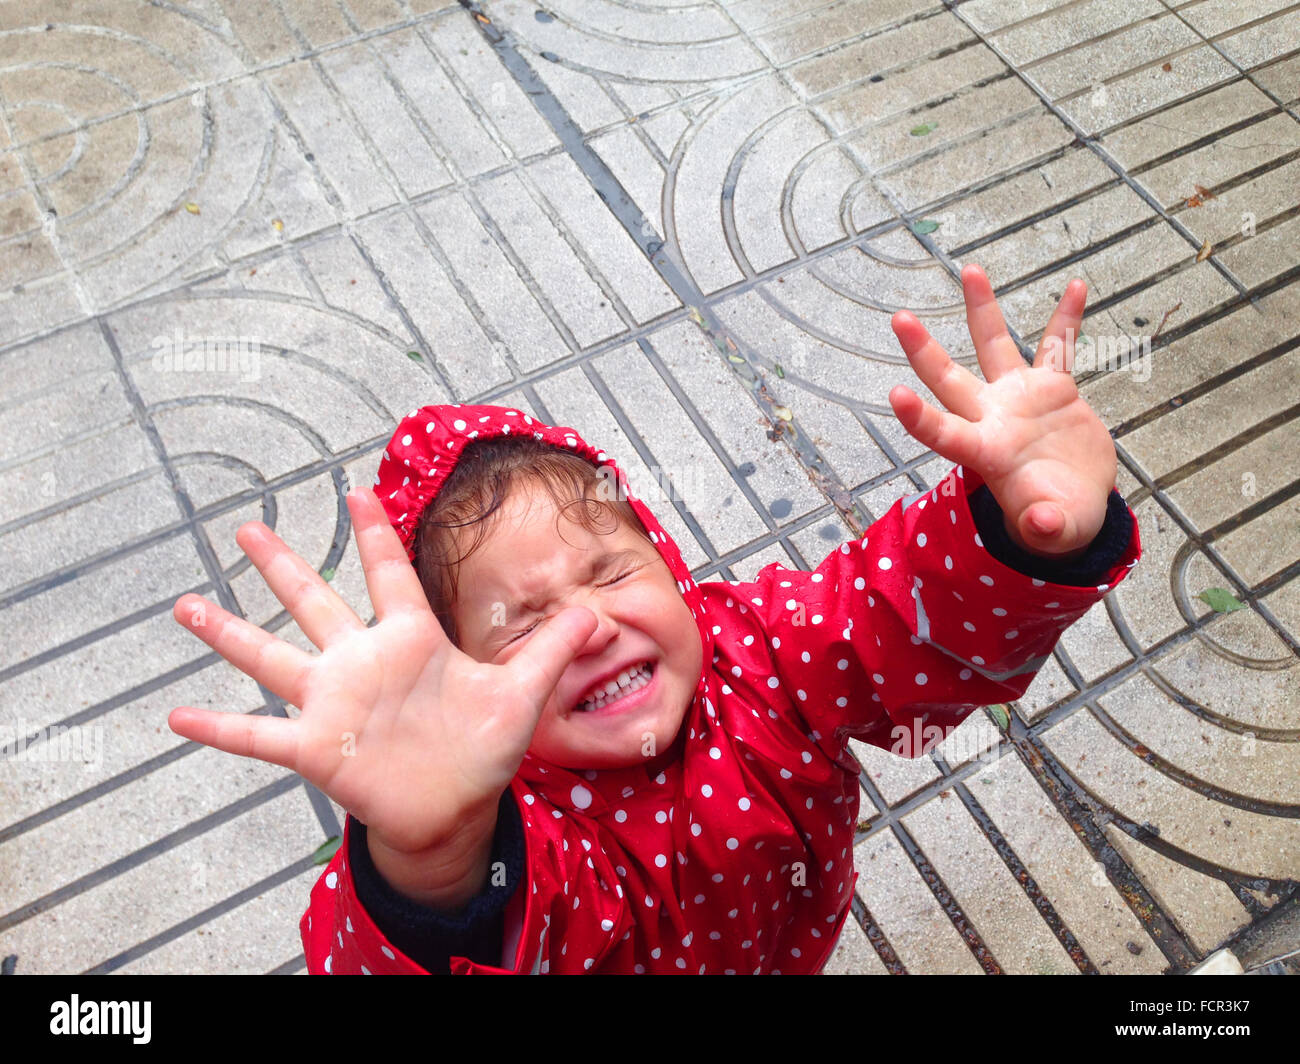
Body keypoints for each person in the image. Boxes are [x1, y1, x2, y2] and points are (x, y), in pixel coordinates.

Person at [168, 266, 1141, 973]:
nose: (587, 625)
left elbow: (899, 615)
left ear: (670, 563)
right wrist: (435, 855)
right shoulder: (525, 830)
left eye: (610, 571)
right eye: (519, 621)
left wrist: (1020, 533)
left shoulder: (759, 646)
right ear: (457, 677)